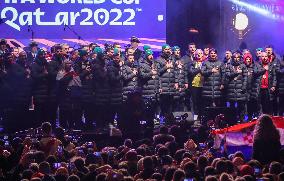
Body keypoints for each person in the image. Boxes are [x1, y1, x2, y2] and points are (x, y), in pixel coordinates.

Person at [56, 59, 82, 129]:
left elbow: (78, 83)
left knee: (71, 113)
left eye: (70, 63)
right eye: (67, 63)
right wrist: (69, 76)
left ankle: (71, 127)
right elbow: (60, 83)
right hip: (63, 96)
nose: (69, 65)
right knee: (63, 113)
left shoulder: (73, 72)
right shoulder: (60, 73)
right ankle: (63, 128)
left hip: (71, 96)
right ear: (64, 64)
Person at [74, 49, 95, 130]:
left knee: (89, 110)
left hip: (89, 90)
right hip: (80, 90)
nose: (87, 57)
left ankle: (89, 124)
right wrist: (86, 71)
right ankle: (79, 125)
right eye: (85, 55)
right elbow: (77, 77)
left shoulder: (89, 63)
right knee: (79, 110)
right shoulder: (77, 64)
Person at [139, 49, 160, 128]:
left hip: (154, 89)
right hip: (146, 90)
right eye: (149, 55)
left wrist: (159, 86)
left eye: (152, 54)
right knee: (145, 109)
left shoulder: (154, 63)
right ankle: (144, 125)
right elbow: (142, 75)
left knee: (153, 109)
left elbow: (158, 76)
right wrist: (151, 73)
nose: (151, 56)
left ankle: (152, 122)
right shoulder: (142, 64)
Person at [225, 51, 248, 121]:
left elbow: (245, 77)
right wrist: (236, 72)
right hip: (231, 90)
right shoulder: (229, 65)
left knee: (241, 107)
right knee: (232, 107)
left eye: (238, 57)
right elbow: (228, 75)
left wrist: (243, 87)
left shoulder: (243, 66)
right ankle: (232, 121)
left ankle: (242, 122)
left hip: (240, 89)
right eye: (235, 57)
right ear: (232, 58)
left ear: (240, 58)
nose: (236, 59)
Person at [157, 44, 176, 122]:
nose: (168, 51)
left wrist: (176, 82)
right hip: (163, 86)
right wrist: (166, 67)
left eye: (169, 49)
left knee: (170, 104)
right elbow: (157, 72)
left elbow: (175, 72)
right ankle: (163, 120)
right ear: (163, 50)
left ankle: (169, 120)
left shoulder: (172, 59)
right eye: (166, 49)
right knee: (164, 105)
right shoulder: (158, 60)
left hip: (171, 85)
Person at [31, 49, 50, 125]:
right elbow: (35, 76)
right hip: (38, 91)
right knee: (38, 112)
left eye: (43, 55)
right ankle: (37, 129)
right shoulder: (34, 64)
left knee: (44, 113)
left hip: (45, 91)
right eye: (41, 55)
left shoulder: (45, 63)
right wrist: (44, 74)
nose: (43, 56)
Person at [244, 52, 265, 120]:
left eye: (249, 59)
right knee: (247, 106)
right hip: (245, 90)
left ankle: (256, 119)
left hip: (253, 89)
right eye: (246, 59)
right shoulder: (242, 67)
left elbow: (260, 72)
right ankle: (248, 119)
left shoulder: (255, 66)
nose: (248, 60)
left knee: (254, 105)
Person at [190, 49, 205, 121]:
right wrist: (199, 69)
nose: (199, 55)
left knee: (202, 102)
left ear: (203, 54)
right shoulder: (192, 63)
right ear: (195, 55)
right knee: (195, 102)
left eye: (200, 53)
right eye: (197, 54)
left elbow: (206, 72)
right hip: (195, 85)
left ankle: (202, 116)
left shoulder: (205, 63)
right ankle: (196, 116)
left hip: (204, 85)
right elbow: (192, 72)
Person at [181, 42, 196, 111]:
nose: (192, 49)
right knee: (188, 98)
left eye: (193, 47)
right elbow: (184, 71)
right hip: (188, 81)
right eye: (191, 47)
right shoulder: (184, 58)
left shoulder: (199, 56)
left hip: (198, 82)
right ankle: (189, 114)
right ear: (188, 49)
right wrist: (186, 82)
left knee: (196, 98)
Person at [172, 46, 188, 112]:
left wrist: (186, 82)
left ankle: (181, 118)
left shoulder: (182, 60)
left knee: (181, 101)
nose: (178, 52)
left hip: (182, 83)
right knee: (175, 102)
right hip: (174, 84)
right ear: (173, 51)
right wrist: (175, 65)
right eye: (176, 50)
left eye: (179, 50)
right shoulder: (171, 60)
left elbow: (185, 72)